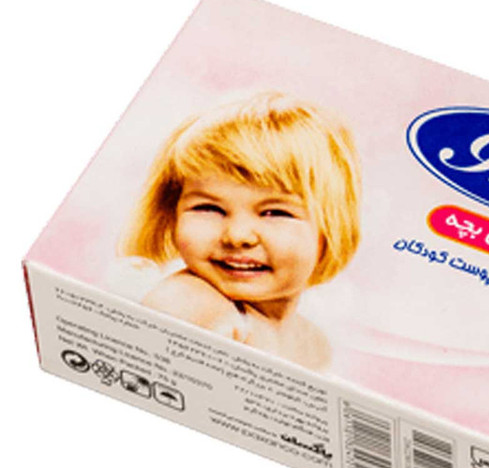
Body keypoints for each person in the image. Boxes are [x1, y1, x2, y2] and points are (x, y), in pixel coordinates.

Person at [120, 91, 361, 370]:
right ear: (171, 214)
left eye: (274, 212)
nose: (237, 236)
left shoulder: (313, 342)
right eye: (209, 208)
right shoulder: (189, 303)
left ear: (329, 229)